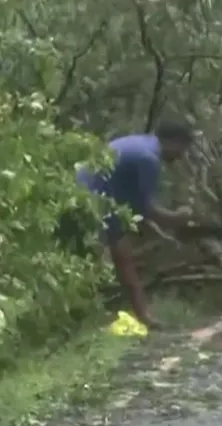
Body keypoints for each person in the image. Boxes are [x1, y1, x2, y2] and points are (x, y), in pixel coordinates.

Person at [73, 122, 198, 329]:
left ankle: (142, 316)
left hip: (88, 195)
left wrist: (163, 228)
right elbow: (147, 209)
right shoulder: (148, 159)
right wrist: (178, 217)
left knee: (120, 258)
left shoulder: (138, 143)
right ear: (174, 142)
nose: (181, 156)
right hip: (91, 200)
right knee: (117, 259)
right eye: (182, 150)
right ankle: (137, 317)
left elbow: (136, 207)